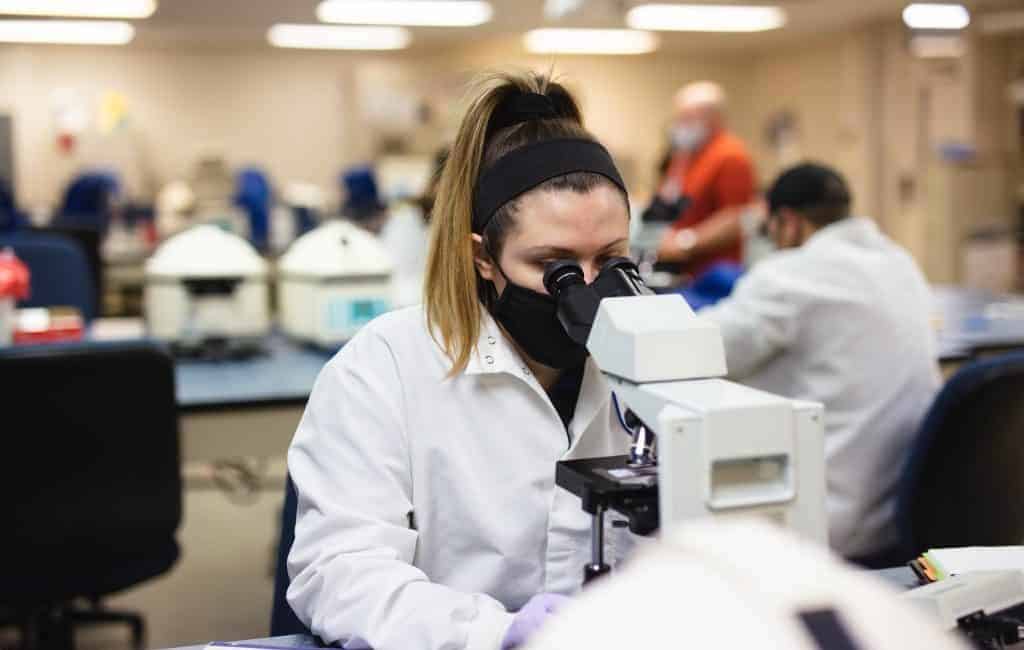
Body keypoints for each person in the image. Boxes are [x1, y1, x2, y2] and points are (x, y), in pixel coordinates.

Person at [286, 70, 638, 650]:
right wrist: (496, 633)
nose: (587, 291)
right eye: (554, 266)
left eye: (611, 260)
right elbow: (341, 572)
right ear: (483, 256)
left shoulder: (657, 364)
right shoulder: (383, 368)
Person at [699, 163, 941, 562]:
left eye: (770, 231)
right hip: (904, 512)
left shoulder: (790, 274)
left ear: (789, 223)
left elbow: (703, 348)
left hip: (835, 529)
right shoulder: (901, 260)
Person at [652, 81, 756, 278]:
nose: (680, 125)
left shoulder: (731, 156)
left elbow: (735, 218)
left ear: (713, 118)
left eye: (687, 118)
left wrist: (685, 242)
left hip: (715, 273)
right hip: (682, 270)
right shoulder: (688, 154)